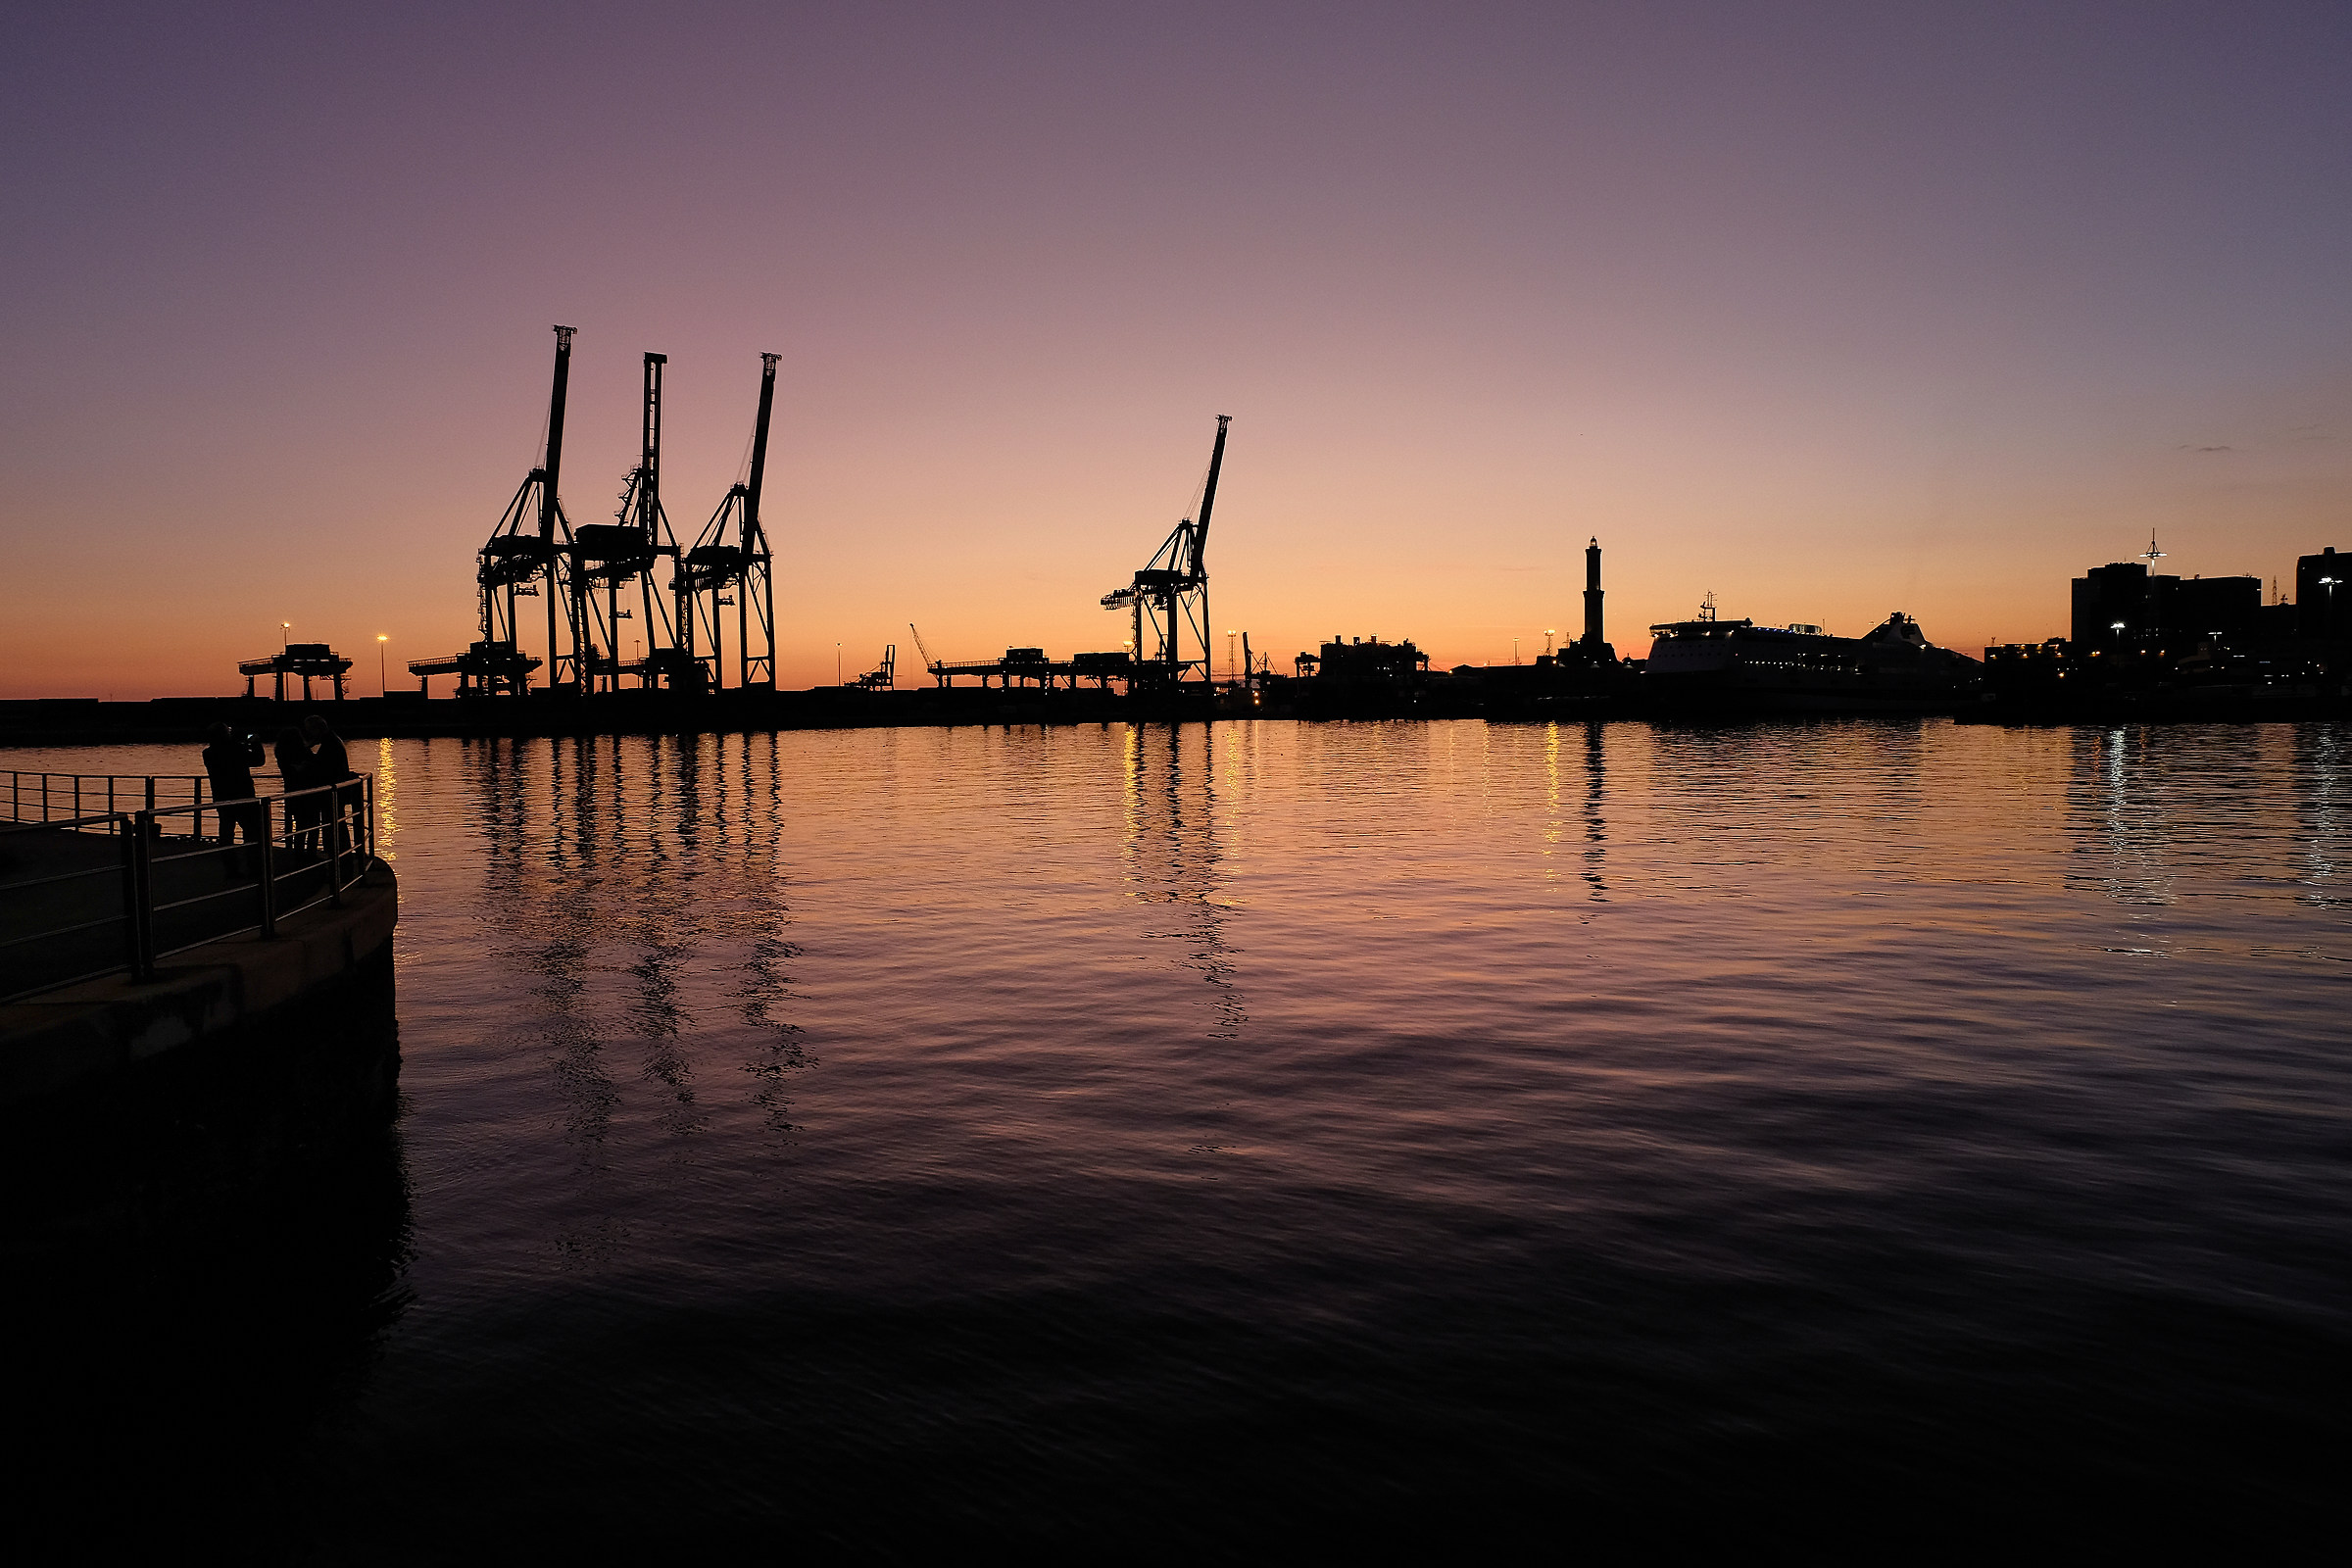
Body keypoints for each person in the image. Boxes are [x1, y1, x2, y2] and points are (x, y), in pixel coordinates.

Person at [200, 721, 266, 876]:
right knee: (251, 833)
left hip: (222, 797)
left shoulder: (208, 753)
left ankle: (231, 869)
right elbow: (258, 760)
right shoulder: (236, 748)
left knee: (226, 834)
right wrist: (256, 744)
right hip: (243, 797)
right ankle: (254, 867)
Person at [302, 714, 357, 860]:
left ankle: (339, 859)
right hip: (337, 791)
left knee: (333, 826)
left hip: (332, 793)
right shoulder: (333, 741)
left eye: (310, 731)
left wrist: (307, 760)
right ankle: (341, 857)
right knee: (336, 825)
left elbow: (323, 767)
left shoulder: (329, 744)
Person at [273, 727, 318, 858]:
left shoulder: (281, 753)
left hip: (292, 792)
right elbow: (313, 764)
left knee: (300, 825)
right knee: (313, 825)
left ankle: (298, 852)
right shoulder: (303, 752)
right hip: (308, 793)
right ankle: (310, 853)